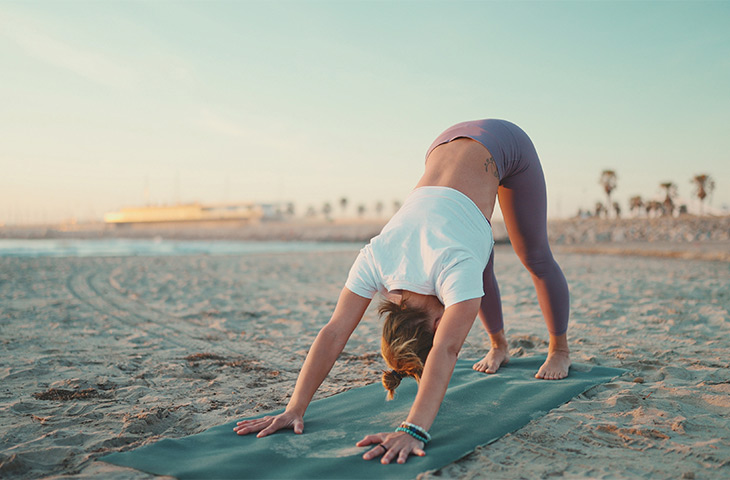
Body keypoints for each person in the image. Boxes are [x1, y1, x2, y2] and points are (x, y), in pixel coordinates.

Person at [234, 119, 571, 465]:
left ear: (437, 323)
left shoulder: (450, 266)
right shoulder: (377, 260)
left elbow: (447, 348)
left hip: (505, 144)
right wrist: (295, 407)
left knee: (534, 256)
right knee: (477, 258)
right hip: (442, 143)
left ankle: (559, 348)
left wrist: (414, 429)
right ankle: (499, 346)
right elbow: (333, 331)